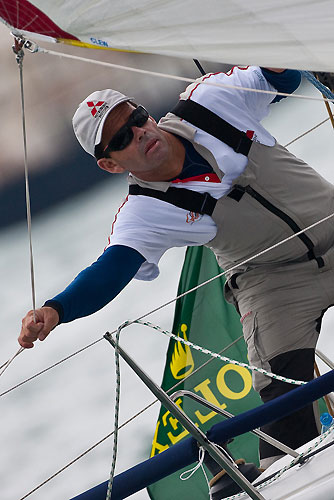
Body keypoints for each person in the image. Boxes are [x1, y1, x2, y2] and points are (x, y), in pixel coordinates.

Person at [19, 66, 334, 469]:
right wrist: (56, 310)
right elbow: (110, 271)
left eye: (135, 118)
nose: (139, 133)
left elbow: (283, 80)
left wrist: (281, 54)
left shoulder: (211, 101)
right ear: (111, 165)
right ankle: (276, 476)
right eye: (121, 139)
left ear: (146, 113)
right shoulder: (144, 212)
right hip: (272, 282)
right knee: (287, 410)